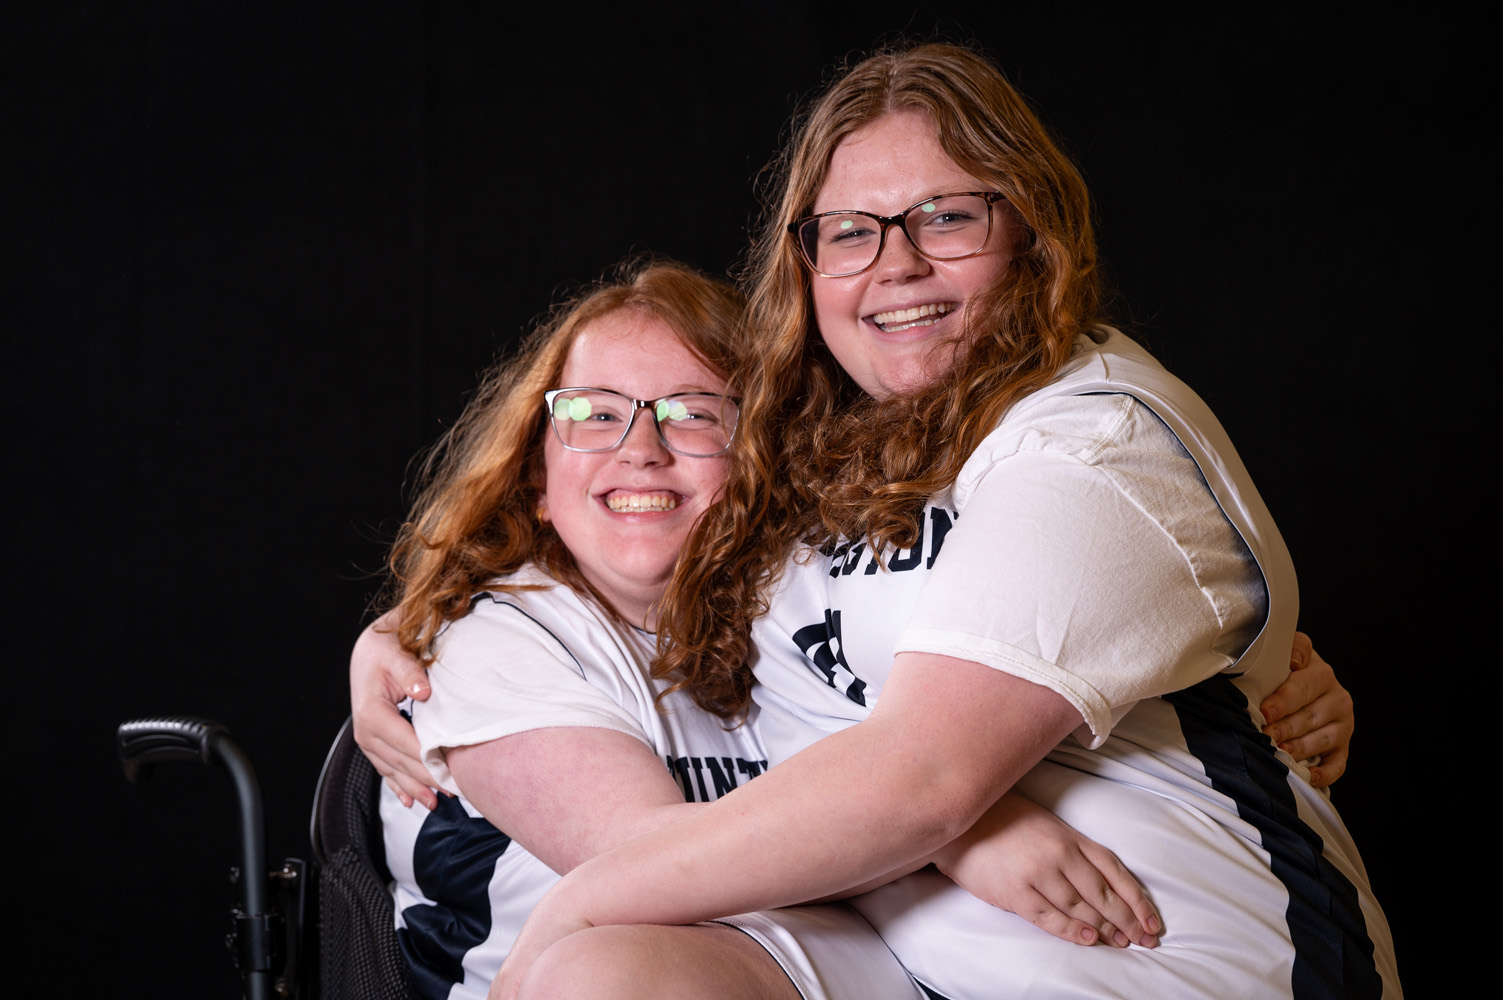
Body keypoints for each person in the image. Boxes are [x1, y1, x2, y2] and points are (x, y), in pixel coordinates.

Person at [474, 43, 1399, 999]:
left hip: (1165, 960)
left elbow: (919, 781)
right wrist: (400, 650)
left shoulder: (1093, 440)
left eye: (947, 217)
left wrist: (577, 904)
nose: (897, 265)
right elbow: (806, 698)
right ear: (805, 267)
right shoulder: (814, 462)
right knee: (608, 977)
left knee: (589, 944)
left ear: (1033, 230)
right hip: (906, 959)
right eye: (849, 233)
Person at [372, 258, 1168, 1000]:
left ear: (762, 455)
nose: (640, 449)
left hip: (812, 953)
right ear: (535, 479)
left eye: (692, 413)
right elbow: (639, 860)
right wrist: (947, 830)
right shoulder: (492, 639)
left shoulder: (792, 602)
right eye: (594, 413)